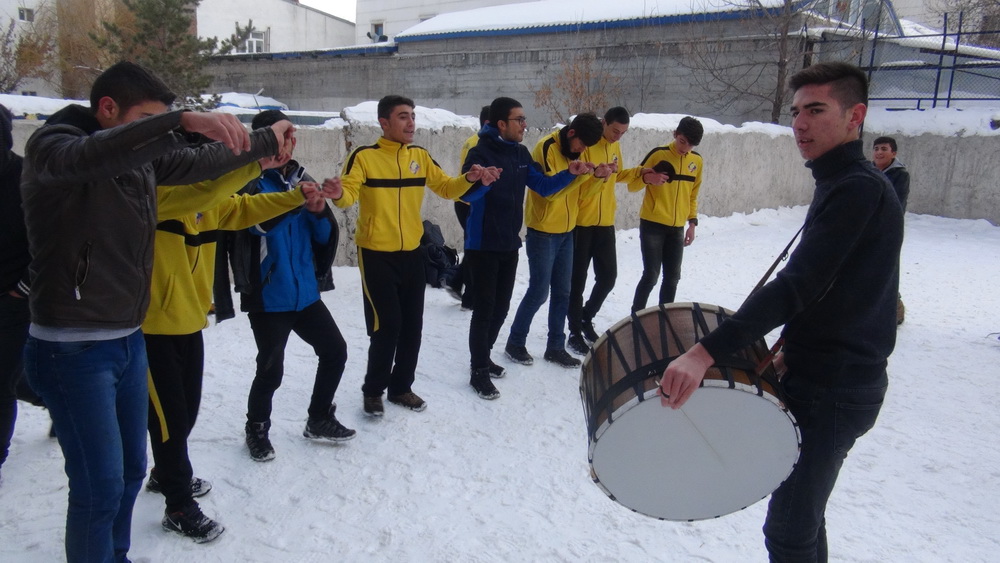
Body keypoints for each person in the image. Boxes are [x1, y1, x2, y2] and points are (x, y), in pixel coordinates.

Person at [19, 61, 293, 563]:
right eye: (145, 118)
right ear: (107, 109)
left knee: (127, 476)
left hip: (128, 339)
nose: (155, 132)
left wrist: (263, 144)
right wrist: (179, 122)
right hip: (72, 349)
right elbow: (92, 155)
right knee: (98, 487)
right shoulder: (52, 149)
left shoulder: (139, 163)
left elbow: (201, 170)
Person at [659, 62, 903, 562]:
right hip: (823, 376)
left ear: (855, 115)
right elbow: (833, 290)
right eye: (795, 112)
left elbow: (799, 285)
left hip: (836, 389)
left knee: (789, 530)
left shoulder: (858, 188)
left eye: (816, 110)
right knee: (803, 522)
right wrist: (796, 341)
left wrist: (705, 351)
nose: (800, 124)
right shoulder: (840, 182)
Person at [144, 148, 330, 541]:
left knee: (185, 413)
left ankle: (165, 472)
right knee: (169, 419)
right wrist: (257, 162)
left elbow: (247, 208)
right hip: (152, 327)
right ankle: (178, 505)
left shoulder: (211, 206)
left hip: (190, 321)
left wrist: (299, 197)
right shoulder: (158, 196)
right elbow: (222, 200)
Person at [328, 95, 499, 417]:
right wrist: (338, 192)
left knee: (413, 326)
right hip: (376, 253)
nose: (411, 123)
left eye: (413, 116)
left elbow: (447, 188)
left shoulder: (419, 155)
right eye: (403, 117)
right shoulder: (364, 157)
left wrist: (471, 179)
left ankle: (401, 387)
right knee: (387, 325)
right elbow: (348, 193)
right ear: (384, 122)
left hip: (412, 254)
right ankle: (373, 391)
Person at [236, 110, 353, 460]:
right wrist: (294, 202)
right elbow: (256, 229)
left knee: (335, 351)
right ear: (263, 141)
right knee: (270, 369)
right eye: (282, 138)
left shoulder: (301, 178)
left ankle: (318, 417)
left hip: (304, 294)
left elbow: (321, 238)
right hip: (270, 296)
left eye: (292, 138)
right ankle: (256, 428)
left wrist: (318, 211)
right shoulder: (250, 183)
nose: (289, 146)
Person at [461, 97, 590, 399]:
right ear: (501, 124)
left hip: (509, 243)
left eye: (524, 119)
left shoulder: (520, 153)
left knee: (502, 307)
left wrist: (571, 172)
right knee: (484, 309)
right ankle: (478, 370)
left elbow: (543, 187)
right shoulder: (479, 153)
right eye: (519, 120)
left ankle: (485, 356)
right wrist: (482, 182)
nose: (524, 125)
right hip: (482, 244)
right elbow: (465, 196)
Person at [504, 113, 608, 369]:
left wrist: (597, 179)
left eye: (587, 149)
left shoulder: (578, 152)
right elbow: (548, 192)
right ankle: (515, 342)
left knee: (564, 291)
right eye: (581, 145)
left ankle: (555, 347)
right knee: (539, 291)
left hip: (567, 230)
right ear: (571, 133)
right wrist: (575, 175)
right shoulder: (546, 147)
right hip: (543, 230)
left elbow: (582, 195)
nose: (583, 151)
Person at [567, 107, 665, 355]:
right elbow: (579, 184)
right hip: (581, 222)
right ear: (603, 123)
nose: (617, 137)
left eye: (622, 133)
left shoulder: (614, 148)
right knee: (577, 280)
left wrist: (641, 173)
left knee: (608, 277)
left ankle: (585, 318)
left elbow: (618, 175)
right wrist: (598, 176)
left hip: (605, 223)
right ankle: (574, 332)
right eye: (614, 131)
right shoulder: (587, 144)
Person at [628, 116, 705, 311]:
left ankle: (665, 319)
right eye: (682, 141)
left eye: (691, 145)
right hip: (652, 224)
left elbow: (693, 195)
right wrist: (648, 178)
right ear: (675, 134)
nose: (685, 148)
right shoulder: (658, 154)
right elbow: (632, 185)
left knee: (672, 278)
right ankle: (636, 317)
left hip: (677, 227)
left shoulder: (696, 161)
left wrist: (692, 224)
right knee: (651, 276)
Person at [0, 103, 28, 487]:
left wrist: (25, 287)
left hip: (14, 297)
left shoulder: (27, 176)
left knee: (2, 381)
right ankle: (52, 399)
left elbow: (54, 239)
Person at [447, 105, 492, 309]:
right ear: (489, 123)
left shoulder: (471, 140)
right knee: (477, 251)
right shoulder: (480, 144)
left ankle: (456, 282)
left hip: (464, 201)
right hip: (470, 203)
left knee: (474, 249)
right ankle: (469, 296)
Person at [872, 136, 910, 325]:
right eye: (876, 148)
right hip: (865, 228)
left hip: (887, 230)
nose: (879, 152)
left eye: (884, 149)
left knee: (885, 269)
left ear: (893, 153)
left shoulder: (899, 175)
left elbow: (895, 205)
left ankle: (895, 308)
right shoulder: (867, 171)